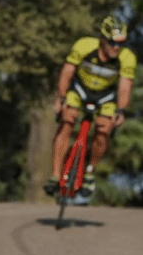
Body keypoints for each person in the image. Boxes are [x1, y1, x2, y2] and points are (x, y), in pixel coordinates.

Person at [43, 15, 137, 199]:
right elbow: (67, 72)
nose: (116, 47)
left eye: (121, 43)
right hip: (80, 90)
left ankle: (90, 171)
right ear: (102, 39)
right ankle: (55, 175)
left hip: (105, 96)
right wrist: (61, 98)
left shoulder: (127, 57)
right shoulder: (84, 46)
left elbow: (125, 86)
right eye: (112, 43)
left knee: (104, 129)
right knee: (67, 120)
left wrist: (120, 110)